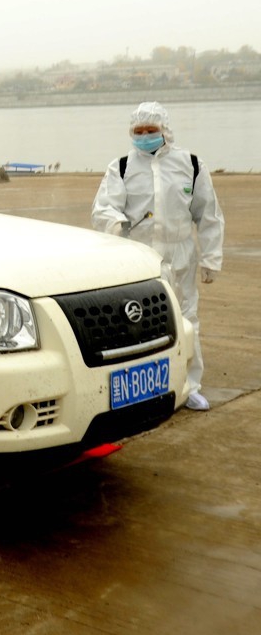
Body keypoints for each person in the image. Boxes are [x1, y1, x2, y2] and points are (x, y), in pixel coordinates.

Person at [91, 101, 224, 410]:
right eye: (138, 131)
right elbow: (103, 209)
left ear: (165, 130)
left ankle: (190, 385)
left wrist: (211, 258)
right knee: (137, 322)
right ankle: (139, 387)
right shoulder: (121, 167)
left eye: (151, 130)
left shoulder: (191, 165)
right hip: (139, 258)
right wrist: (117, 224)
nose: (144, 136)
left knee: (186, 318)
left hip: (180, 256)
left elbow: (208, 214)